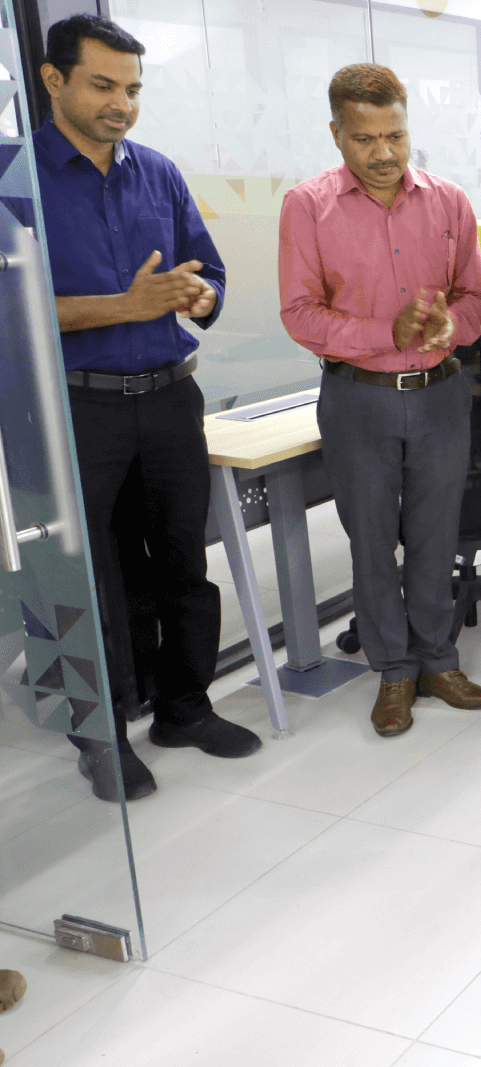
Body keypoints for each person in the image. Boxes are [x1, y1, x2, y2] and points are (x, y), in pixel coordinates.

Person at [34, 15, 261, 801]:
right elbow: (7, 306)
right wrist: (123, 307)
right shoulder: (15, 177)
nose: (122, 104)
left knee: (179, 562)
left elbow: (213, 271)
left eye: (132, 89)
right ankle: (102, 733)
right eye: (103, 85)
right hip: (72, 408)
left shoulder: (157, 171)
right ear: (53, 79)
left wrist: (202, 294)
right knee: (89, 579)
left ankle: (184, 707)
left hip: (168, 399)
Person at [278, 63, 481, 738]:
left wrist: (448, 326)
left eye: (395, 135)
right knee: (372, 539)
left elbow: (476, 298)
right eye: (366, 137)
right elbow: (299, 313)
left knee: (436, 535)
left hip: (439, 394)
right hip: (359, 399)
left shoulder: (449, 201)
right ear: (338, 135)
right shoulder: (307, 205)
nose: (383, 153)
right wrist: (385, 333)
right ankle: (394, 671)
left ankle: (438, 660)